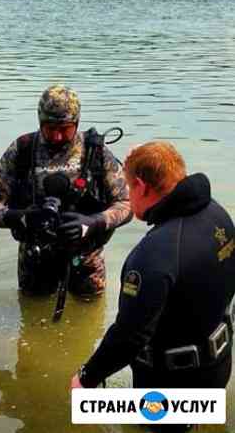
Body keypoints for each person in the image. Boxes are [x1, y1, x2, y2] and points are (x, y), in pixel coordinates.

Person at [71, 141, 235, 432]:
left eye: (128, 188)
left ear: (142, 186)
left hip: (170, 387)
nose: (128, 196)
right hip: (217, 366)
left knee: (87, 409)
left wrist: (86, 378)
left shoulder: (154, 254)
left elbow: (129, 336)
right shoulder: (217, 215)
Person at [0, 84, 132, 298]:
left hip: (86, 259)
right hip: (35, 257)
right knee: (32, 318)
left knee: (89, 320)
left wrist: (94, 222)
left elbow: (126, 203)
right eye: (50, 128)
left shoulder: (94, 151)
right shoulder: (22, 149)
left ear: (76, 123)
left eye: (65, 128)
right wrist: (21, 218)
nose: (58, 136)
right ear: (40, 121)